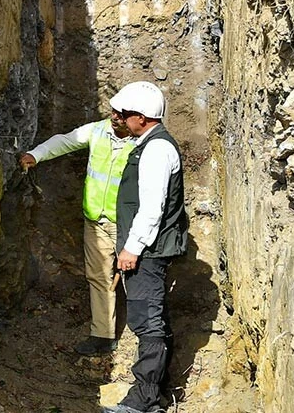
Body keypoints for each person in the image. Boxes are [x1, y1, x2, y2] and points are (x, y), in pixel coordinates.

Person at [102, 81, 189, 413]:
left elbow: (152, 207)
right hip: (148, 249)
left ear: (141, 117)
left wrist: (132, 248)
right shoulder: (150, 144)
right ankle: (153, 396)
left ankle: (142, 401)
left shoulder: (155, 149)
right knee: (153, 317)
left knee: (146, 321)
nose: (121, 119)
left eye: (125, 115)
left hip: (148, 252)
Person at [19, 108, 135, 356]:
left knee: (138, 279)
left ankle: (144, 338)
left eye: (120, 115)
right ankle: (103, 336)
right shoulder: (98, 130)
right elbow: (66, 141)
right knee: (99, 277)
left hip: (128, 224)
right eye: (113, 113)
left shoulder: (144, 141)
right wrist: (36, 155)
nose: (113, 118)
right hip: (95, 219)